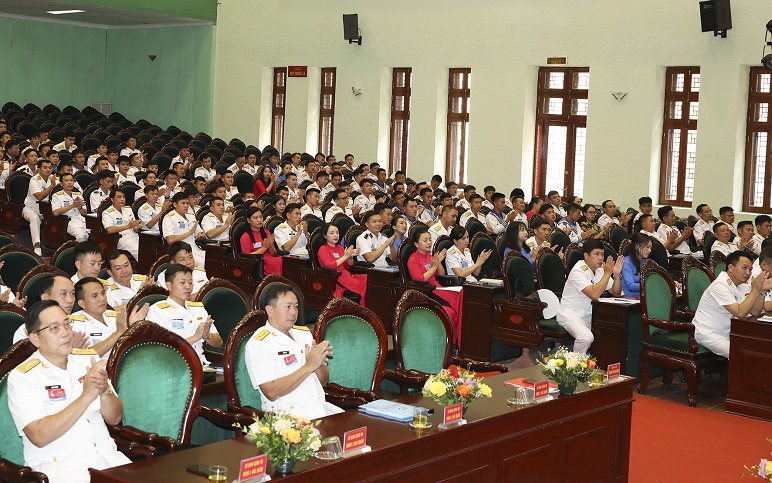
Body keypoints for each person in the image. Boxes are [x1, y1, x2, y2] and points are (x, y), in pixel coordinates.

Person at [8, 300, 131, 482]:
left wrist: (105, 391)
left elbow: (114, 418)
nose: (65, 332)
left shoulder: (86, 361)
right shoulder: (23, 377)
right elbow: (39, 436)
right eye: (54, 328)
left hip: (110, 462)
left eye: (67, 323)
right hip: (63, 472)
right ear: (35, 339)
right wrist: (86, 396)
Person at [245, 282, 343, 419]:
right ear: (270, 310)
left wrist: (317, 365)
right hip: (287, 418)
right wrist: (309, 366)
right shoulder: (259, 343)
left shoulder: (304, 335)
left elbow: (323, 381)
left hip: (319, 409)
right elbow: (271, 392)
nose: (293, 312)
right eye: (288, 307)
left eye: (296, 307)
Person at [693, 252, 772, 358]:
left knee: (761, 348)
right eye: (744, 268)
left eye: (750, 269)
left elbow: (755, 312)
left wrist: (761, 291)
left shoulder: (743, 285)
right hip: (709, 333)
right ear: (731, 267)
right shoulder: (720, 285)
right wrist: (755, 290)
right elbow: (740, 313)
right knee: (744, 355)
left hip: (730, 332)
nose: (748, 273)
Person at [556, 240, 624, 354]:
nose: (600, 258)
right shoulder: (578, 270)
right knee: (586, 338)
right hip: (571, 314)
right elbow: (594, 295)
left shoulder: (600, 270)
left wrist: (616, 275)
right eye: (596, 254)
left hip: (591, 315)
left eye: (602, 254)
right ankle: (576, 363)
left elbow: (616, 292)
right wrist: (607, 274)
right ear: (586, 256)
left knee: (613, 331)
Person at [146, 264, 222, 365]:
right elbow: (161, 349)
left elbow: (219, 343)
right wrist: (195, 337)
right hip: (173, 365)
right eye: (182, 283)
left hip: (201, 364)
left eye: (190, 282)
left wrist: (207, 335)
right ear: (169, 285)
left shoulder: (198, 309)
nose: (187, 287)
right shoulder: (157, 310)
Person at [407, 230, 463, 344]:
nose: (429, 242)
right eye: (425, 240)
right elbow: (420, 280)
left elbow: (441, 274)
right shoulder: (413, 259)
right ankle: (452, 341)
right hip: (427, 290)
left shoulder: (430, 256)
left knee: (461, 292)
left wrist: (439, 263)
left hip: (438, 287)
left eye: (430, 239)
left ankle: (461, 337)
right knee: (455, 302)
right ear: (416, 244)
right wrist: (433, 266)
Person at [71, 277, 149, 358]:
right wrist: (118, 333)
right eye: (95, 296)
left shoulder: (114, 315)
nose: (102, 298)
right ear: (82, 303)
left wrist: (133, 326)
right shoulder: (76, 324)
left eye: (103, 293)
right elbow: (86, 356)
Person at [317, 224, 368, 303]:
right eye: (332, 233)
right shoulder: (323, 249)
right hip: (335, 277)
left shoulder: (339, 247)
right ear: (325, 235)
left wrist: (350, 257)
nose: (335, 235)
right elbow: (329, 266)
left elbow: (348, 265)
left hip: (346, 274)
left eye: (337, 233)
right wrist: (345, 256)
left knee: (368, 278)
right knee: (364, 285)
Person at [162, 192, 207, 267]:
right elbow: (170, 240)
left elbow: (202, 233)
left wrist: (201, 236)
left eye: (187, 203)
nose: (186, 206)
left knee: (214, 258)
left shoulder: (191, 216)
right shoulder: (169, 218)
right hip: (181, 251)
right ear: (175, 204)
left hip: (196, 248)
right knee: (204, 263)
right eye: (183, 203)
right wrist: (190, 232)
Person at [23, 156, 56, 255]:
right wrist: (52, 186)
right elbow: (39, 197)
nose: (48, 170)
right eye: (45, 167)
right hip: (31, 209)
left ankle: (55, 244)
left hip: (48, 210)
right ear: (39, 169)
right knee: (35, 218)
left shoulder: (53, 179)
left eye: (50, 167)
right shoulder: (34, 180)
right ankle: (37, 246)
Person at [239, 207, 283, 276]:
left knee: (285, 261)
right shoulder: (245, 237)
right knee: (277, 262)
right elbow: (247, 258)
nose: (259, 220)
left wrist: (270, 246)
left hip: (270, 258)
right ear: (248, 220)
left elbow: (274, 254)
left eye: (260, 217)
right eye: (255, 218)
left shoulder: (267, 233)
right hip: (259, 262)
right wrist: (264, 248)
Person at [102, 188, 141, 262]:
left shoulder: (128, 209)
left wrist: (136, 228)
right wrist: (128, 226)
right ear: (112, 199)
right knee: (139, 252)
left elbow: (134, 227)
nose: (122, 199)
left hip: (135, 236)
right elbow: (109, 229)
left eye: (123, 197)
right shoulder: (107, 213)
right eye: (119, 197)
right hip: (121, 238)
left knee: (148, 249)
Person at [51, 172, 89, 242]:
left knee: (96, 234)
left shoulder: (78, 195)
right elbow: (55, 213)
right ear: (61, 184)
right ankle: (78, 249)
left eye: (71, 180)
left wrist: (79, 207)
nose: (70, 183)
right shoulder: (56, 196)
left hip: (82, 220)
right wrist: (73, 205)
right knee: (82, 236)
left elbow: (85, 213)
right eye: (66, 181)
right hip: (68, 222)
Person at [621, 233, 652, 299]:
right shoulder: (626, 262)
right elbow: (630, 286)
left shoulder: (644, 262)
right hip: (628, 299)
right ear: (637, 246)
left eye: (650, 248)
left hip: (642, 297)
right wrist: (649, 286)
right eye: (647, 247)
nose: (650, 250)